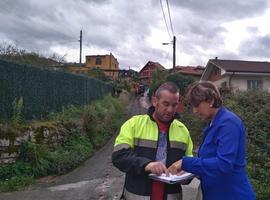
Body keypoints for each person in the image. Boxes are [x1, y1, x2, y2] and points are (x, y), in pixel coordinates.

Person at [168, 81, 256, 200]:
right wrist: (188, 172)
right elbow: (209, 163)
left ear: (210, 101)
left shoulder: (228, 123)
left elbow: (224, 165)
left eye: (197, 105)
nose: (194, 111)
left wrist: (186, 163)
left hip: (232, 194)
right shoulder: (213, 124)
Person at [112, 82, 193, 200]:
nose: (170, 110)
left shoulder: (183, 130)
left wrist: (186, 175)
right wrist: (147, 164)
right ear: (155, 101)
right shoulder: (133, 124)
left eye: (174, 105)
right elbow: (119, 156)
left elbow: (189, 163)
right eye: (166, 104)